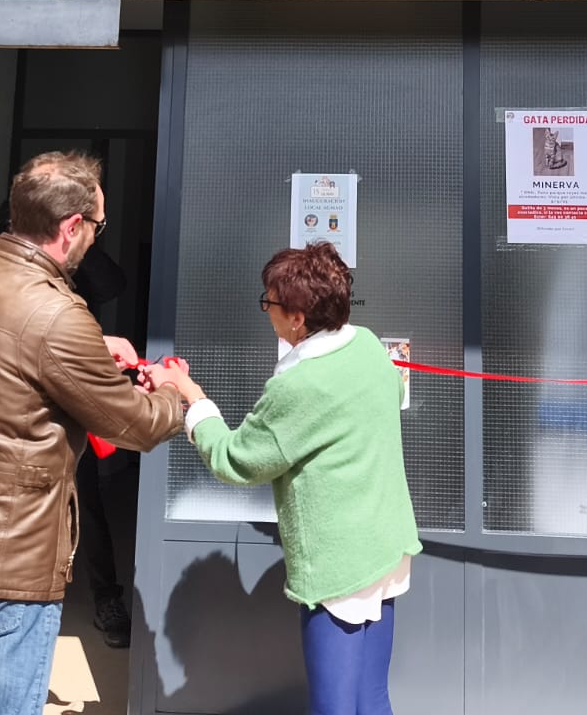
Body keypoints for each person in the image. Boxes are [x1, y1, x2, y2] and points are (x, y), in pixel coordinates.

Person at [0, 151, 185, 715]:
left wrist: (88, 351)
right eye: (97, 226)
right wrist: (173, 391)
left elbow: (7, 351)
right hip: (7, 559)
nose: (96, 237)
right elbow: (135, 426)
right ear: (72, 226)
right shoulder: (59, 314)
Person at [151, 241, 421, 715]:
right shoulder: (366, 345)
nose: (266, 311)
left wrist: (190, 396)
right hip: (386, 544)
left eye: (269, 302)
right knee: (372, 698)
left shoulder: (299, 384)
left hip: (338, 565)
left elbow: (236, 459)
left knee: (333, 707)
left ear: (297, 318)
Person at [0, 205, 135, 649]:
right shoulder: (3, 252)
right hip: (12, 388)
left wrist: (82, 242)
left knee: (85, 499)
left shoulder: (77, 249)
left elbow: (113, 285)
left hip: (68, 388)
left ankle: (106, 597)